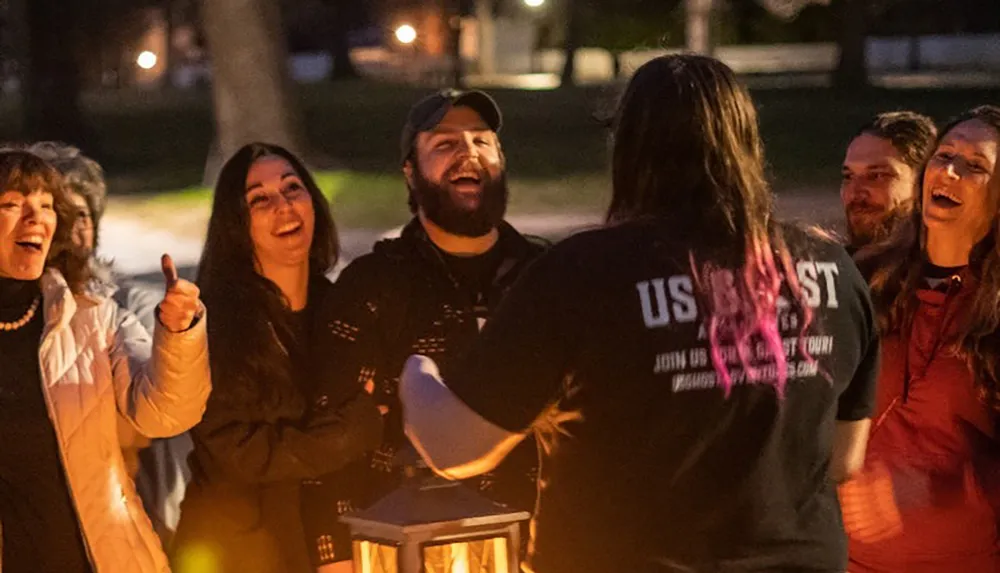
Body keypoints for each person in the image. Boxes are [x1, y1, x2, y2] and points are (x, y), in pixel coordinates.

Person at [399, 54, 879, 573]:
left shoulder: (584, 273)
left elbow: (456, 448)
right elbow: (843, 457)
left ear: (628, 146)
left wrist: (416, 375)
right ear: (746, 140)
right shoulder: (831, 267)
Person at [301, 88, 545, 570]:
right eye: (445, 144)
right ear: (410, 172)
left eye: (481, 141)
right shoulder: (374, 284)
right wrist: (335, 557)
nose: (467, 154)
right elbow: (330, 441)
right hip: (410, 544)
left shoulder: (547, 275)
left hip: (540, 539)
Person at [170, 142, 383, 573]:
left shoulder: (343, 311)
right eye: (260, 199)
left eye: (292, 188)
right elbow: (237, 451)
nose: (283, 205)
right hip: (238, 549)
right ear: (237, 224)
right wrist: (347, 435)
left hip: (329, 546)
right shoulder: (219, 323)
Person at [0, 149, 210, 572]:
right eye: (11, 205)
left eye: (45, 206)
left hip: (98, 558)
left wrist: (178, 333)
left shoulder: (92, 317)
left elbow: (165, 413)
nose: (34, 218)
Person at [843, 105, 1000, 572]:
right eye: (944, 154)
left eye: (975, 166)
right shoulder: (866, 280)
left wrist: (930, 485)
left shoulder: (990, 312)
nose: (949, 170)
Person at [840, 111, 937, 255]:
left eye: (877, 175)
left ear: (925, 181)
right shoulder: (834, 271)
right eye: (849, 176)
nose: (855, 192)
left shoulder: (965, 271)